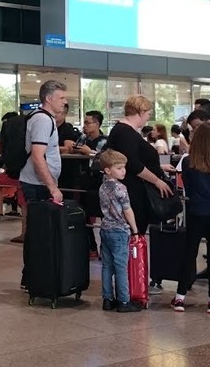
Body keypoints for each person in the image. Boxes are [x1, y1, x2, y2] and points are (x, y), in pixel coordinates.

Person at [170, 122, 210, 314]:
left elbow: (187, 185)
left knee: (189, 252)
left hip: (196, 211)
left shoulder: (188, 162)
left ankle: (179, 298)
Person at [20, 80, 68, 289]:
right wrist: (52, 187)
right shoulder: (42, 120)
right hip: (38, 184)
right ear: (48, 99)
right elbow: (38, 156)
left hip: (38, 182)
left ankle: (35, 275)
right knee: (39, 234)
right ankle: (35, 277)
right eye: (61, 98)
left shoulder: (44, 119)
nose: (64, 102)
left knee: (39, 232)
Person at [107, 95, 174, 235]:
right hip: (133, 191)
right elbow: (133, 164)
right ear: (141, 112)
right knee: (134, 232)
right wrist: (157, 181)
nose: (148, 118)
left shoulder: (125, 131)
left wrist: (159, 168)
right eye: (148, 114)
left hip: (132, 188)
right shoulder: (126, 133)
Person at [97, 149, 141, 313]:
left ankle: (107, 299)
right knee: (121, 266)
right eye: (119, 168)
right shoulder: (121, 188)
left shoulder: (103, 186)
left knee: (107, 266)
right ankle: (123, 300)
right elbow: (127, 210)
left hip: (105, 229)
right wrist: (135, 229)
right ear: (108, 170)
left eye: (124, 167)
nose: (123, 171)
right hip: (120, 231)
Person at [74, 110, 109, 258]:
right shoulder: (82, 138)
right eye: (85, 123)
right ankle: (91, 246)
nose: (85, 126)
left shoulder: (105, 141)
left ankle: (105, 247)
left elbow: (105, 159)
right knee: (84, 214)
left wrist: (90, 153)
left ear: (97, 124)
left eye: (88, 123)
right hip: (83, 182)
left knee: (104, 215)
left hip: (99, 182)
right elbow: (74, 149)